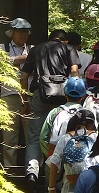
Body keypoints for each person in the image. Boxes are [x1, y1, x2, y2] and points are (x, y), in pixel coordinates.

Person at [21, 29, 82, 185]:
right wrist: (75, 96)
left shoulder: (36, 49)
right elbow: (74, 71)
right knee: (60, 136)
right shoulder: (69, 49)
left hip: (40, 95)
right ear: (65, 41)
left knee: (34, 137)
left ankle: (32, 173)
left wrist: (25, 100)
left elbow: (24, 76)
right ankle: (55, 177)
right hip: (62, 98)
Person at [0, 17, 32, 171]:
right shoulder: (2, 47)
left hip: (29, 96)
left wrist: (17, 60)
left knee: (31, 136)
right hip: (8, 95)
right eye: (20, 32)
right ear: (12, 33)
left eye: (25, 32)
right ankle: (9, 170)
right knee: (9, 135)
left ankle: (32, 170)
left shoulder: (32, 48)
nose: (23, 35)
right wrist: (23, 58)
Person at [45, 109, 97, 193]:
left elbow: (54, 161)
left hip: (69, 185)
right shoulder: (95, 137)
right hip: (91, 185)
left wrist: (51, 187)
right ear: (92, 123)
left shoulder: (66, 137)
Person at [40, 77, 89, 159]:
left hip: (55, 163)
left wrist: (51, 156)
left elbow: (43, 137)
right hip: (81, 162)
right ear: (83, 96)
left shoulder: (54, 112)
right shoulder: (87, 113)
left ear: (64, 93)